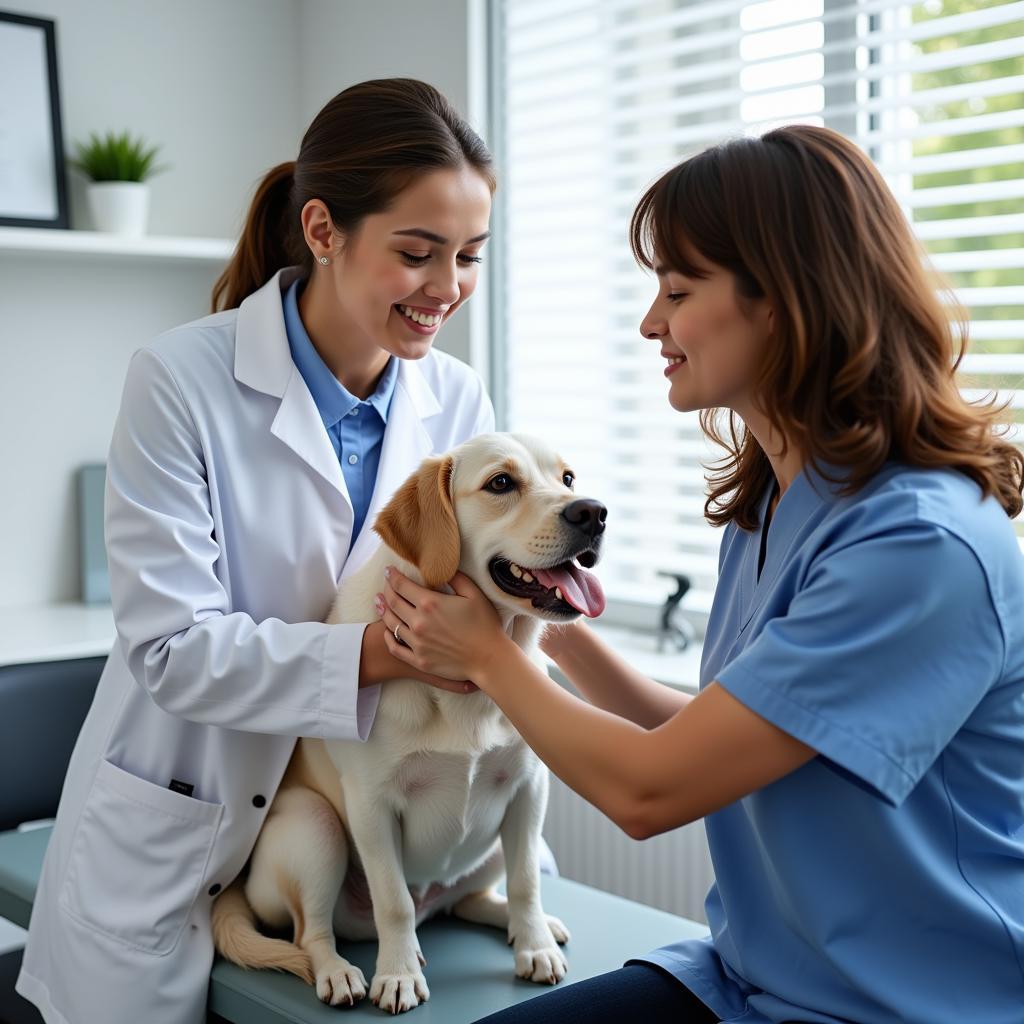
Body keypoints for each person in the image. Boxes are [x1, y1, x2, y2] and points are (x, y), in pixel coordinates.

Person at [376, 124, 1024, 1024]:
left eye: (678, 291)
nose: (651, 323)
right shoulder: (775, 504)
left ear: (786, 302)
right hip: (752, 977)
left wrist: (490, 658)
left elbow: (652, 790)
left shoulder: (920, 548)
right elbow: (724, 739)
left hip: (907, 1004)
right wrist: (543, 611)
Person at [16, 78, 501, 1024]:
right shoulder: (181, 379)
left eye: (471, 256)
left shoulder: (456, 401)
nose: (448, 288)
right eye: (417, 252)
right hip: (181, 830)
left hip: (371, 844)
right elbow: (171, 647)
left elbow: (474, 606)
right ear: (323, 229)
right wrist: (384, 650)